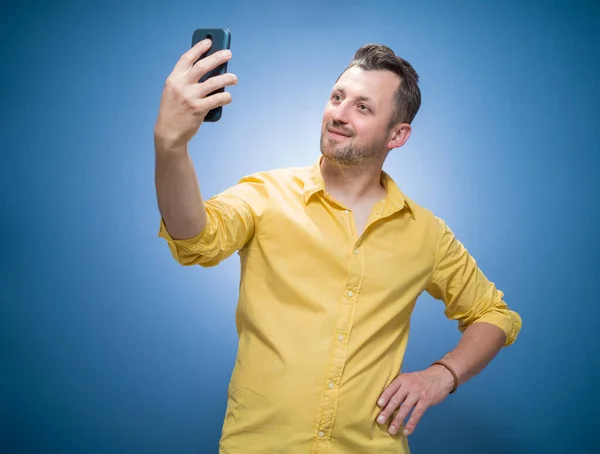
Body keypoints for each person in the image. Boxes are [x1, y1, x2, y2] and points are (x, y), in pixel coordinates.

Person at [154, 39, 522, 454]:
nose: (339, 115)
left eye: (362, 107)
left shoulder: (427, 233)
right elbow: (193, 239)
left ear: (397, 135)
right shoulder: (265, 195)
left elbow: (494, 314)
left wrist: (441, 375)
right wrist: (171, 144)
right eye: (337, 97)